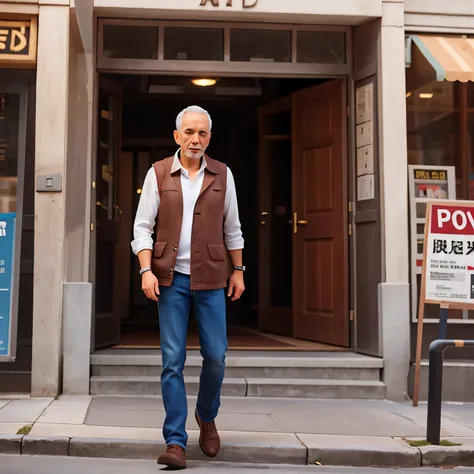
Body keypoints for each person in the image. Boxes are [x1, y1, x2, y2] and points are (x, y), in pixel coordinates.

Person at [131, 105, 245, 470]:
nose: (196, 139)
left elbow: (233, 228)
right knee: (172, 361)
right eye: (189, 132)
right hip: (170, 280)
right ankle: (175, 441)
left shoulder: (223, 175)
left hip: (212, 278)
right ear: (177, 136)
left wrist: (238, 269)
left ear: (209, 138)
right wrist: (146, 270)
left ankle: (206, 415)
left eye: (203, 133)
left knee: (216, 356)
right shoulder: (158, 173)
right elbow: (142, 228)